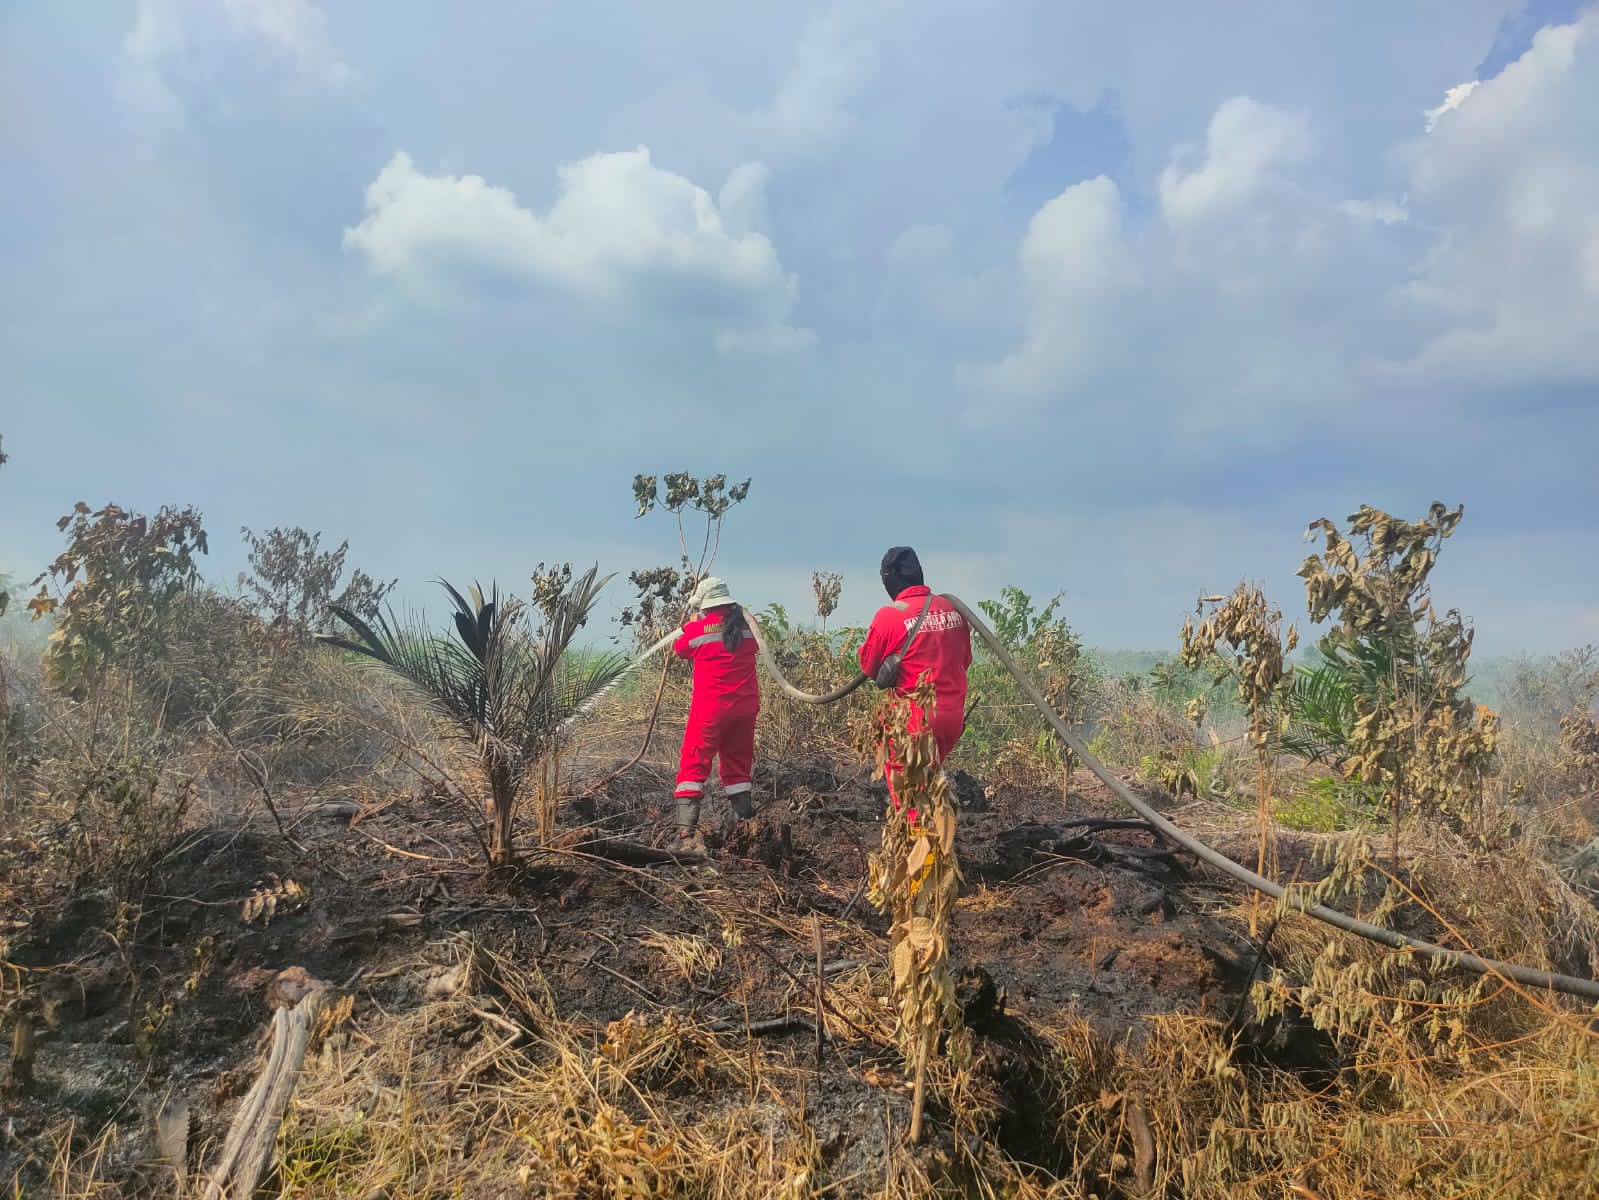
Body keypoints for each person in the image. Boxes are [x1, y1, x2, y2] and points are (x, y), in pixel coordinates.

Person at [857, 546, 972, 817]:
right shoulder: (952, 610)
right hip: (952, 720)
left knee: (908, 796)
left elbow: (869, 667)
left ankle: (919, 848)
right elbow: (965, 660)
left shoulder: (890, 615)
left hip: (913, 724)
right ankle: (935, 839)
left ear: (889, 578)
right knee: (927, 785)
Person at [671, 577, 760, 853]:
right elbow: (754, 644)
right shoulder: (748, 626)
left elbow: (680, 649)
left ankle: (685, 834)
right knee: (737, 764)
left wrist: (689, 622)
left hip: (710, 710)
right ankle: (745, 826)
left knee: (693, 763)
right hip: (745, 709)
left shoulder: (698, 629)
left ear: (705, 606)